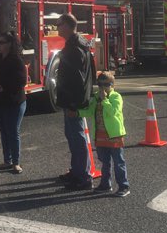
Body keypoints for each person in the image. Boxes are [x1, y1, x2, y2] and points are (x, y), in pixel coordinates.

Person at [55, 12, 94, 191]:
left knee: (77, 138)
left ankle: (83, 177)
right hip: (73, 101)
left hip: (73, 103)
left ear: (68, 26)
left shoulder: (74, 49)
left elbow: (76, 80)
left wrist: (72, 105)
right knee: (73, 137)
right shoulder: (79, 44)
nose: (56, 27)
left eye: (59, 24)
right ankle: (76, 171)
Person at [79, 72, 129, 197]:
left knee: (119, 162)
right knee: (105, 162)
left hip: (114, 135)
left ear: (112, 85)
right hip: (100, 135)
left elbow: (113, 112)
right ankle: (105, 184)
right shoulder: (96, 97)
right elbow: (90, 111)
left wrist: (105, 100)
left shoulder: (116, 97)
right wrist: (78, 112)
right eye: (100, 84)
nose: (103, 88)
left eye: (106, 85)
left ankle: (124, 186)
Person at [0, 31, 28, 174]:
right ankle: (7, 161)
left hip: (14, 102)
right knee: (4, 131)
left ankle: (16, 162)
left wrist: (4, 87)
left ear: (10, 44)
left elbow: (21, 80)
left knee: (12, 131)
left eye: (2, 42)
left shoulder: (16, 60)